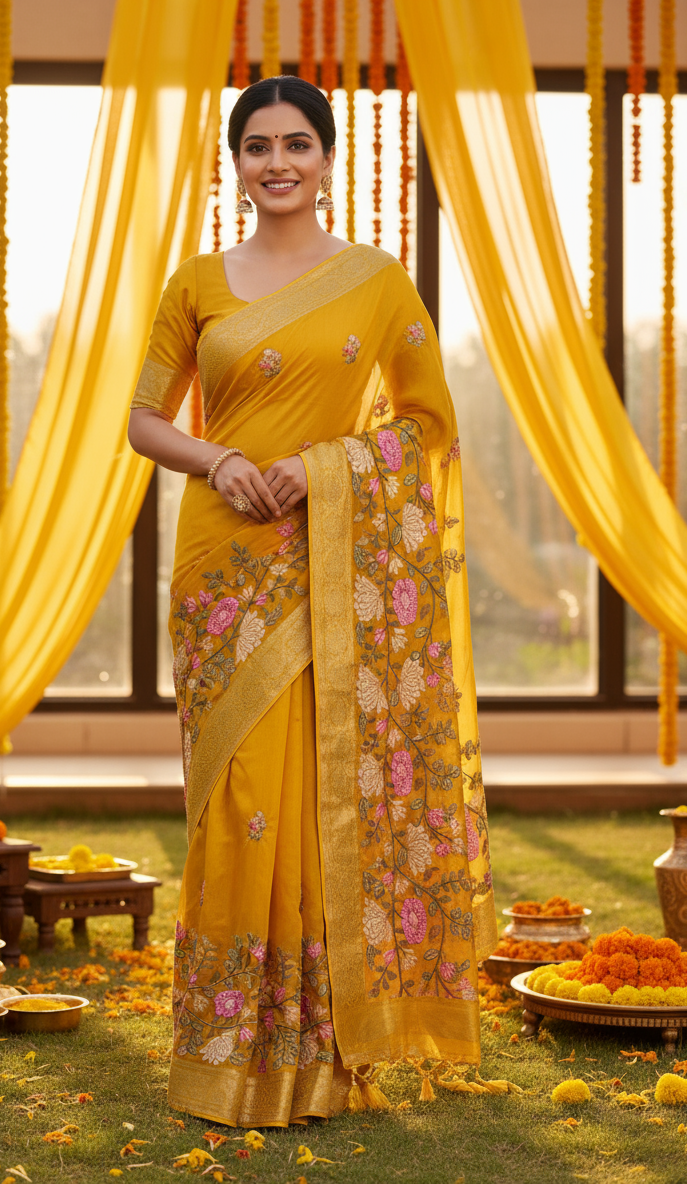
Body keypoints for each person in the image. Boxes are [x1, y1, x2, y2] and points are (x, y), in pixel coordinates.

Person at [128, 75, 496, 1129]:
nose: (277, 161)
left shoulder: (378, 282)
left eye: (297, 142)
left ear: (328, 157)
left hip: (329, 556)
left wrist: (325, 466)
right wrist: (220, 458)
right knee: (238, 792)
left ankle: (320, 1054)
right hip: (220, 567)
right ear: (234, 162)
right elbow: (145, 420)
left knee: (319, 786)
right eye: (257, 146)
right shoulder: (198, 280)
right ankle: (226, 1047)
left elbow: (427, 426)